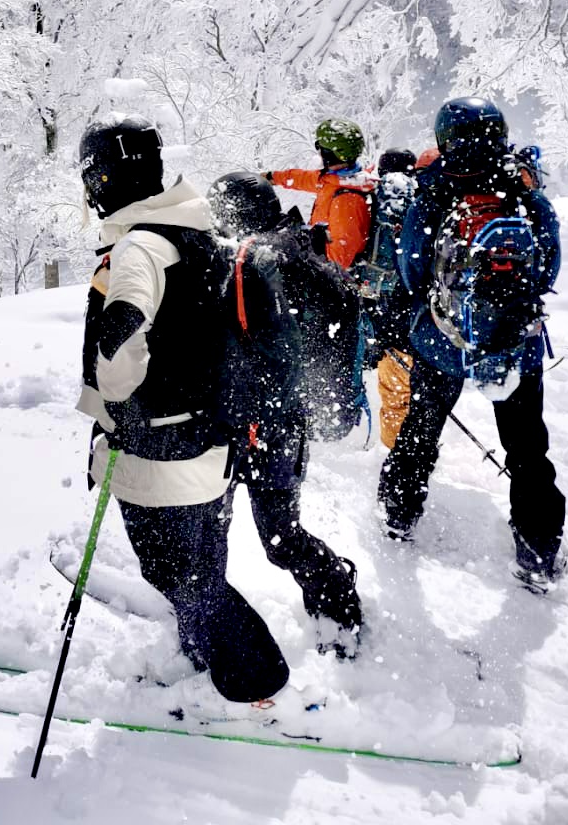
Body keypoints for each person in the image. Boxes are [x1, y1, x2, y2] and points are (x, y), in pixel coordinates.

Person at [76, 119, 288, 704]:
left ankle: (254, 680)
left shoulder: (138, 247)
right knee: (204, 565)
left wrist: (111, 382)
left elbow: (122, 346)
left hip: (157, 450)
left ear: (104, 177)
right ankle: (205, 664)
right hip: (214, 440)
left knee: (177, 575)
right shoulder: (202, 235)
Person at [377, 98, 568, 590]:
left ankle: (398, 514)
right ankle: (538, 551)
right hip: (514, 343)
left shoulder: (433, 192)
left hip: (444, 342)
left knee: (421, 429)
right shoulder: (524, 192)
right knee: (527, 447)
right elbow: (548, 268)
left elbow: (413, 270)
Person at [207, 172, 363, 656]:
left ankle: (210, 630)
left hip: (253, 422)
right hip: (283, 421)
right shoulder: (301, 247)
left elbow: (252, 345)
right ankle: (339, 611)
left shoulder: (255, 259)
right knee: (280, 535)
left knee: (216, 532)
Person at [357, 149, 418, 451]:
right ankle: (416, 447)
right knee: (417, 385)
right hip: (416, 304)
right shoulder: (422, 199)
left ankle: (395, 450)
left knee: (393, 387)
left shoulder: (374, 196)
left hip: (380, 298)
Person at [265, 119, 374, 270]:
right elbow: (303, 178)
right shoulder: (337, 179)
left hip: (331, 276)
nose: (319, 152)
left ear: (330, 154)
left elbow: (339, 259)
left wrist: (305, 248)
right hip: (319, 257)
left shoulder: (347, 200)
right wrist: (271, 177)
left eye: (320, 147)